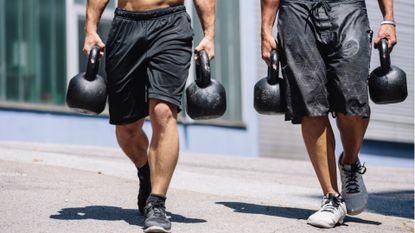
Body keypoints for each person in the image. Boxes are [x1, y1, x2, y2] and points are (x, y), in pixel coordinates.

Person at [261, 0, 396, 228]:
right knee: (309, 104)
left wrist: (388, 19)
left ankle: (349, 163)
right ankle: (331, 197)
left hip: (347, 7)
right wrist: (266, 29)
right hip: (296, 10)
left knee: (352, 101)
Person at [83, 0, 216, 232]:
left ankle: (157, 202)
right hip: (127, 24)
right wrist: (90, 29)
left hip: (171, 25)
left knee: (163, 111)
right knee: (127, 127)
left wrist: (209, 34)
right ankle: (146, 172)